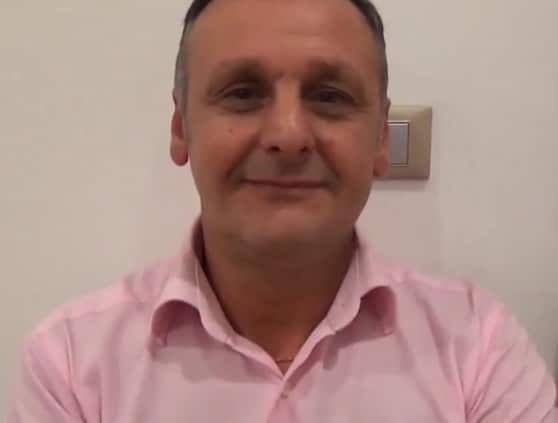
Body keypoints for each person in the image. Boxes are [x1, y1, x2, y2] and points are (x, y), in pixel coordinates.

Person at [7, 0, 557, 421]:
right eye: (243, 93)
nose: (289, 135)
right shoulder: (71, 365)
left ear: (380, 139)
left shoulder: (479, 347)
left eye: (330, 96)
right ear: (180, 128)